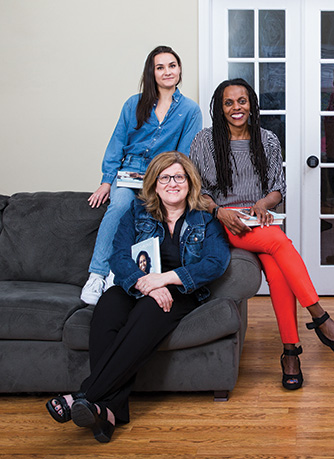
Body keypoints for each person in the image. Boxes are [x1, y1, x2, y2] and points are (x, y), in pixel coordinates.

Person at [45, 151, 230, 442]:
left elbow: (215, 263)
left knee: (148, 312)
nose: (172, 183)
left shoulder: (205, 219)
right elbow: (119, 256)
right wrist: (147, 284)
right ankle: (106, 411)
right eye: (165, 177)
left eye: (179, 177)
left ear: (190, 183)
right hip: (137, 284)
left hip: (180, 290)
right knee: (107, 307)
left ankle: (86, 395)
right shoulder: (136, 211)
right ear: (154, 184)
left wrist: (165, 280)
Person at [190, 78, 334, 391]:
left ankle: (291, 352)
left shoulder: (266, 139)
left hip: (257, 221)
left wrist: (263, 204)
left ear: (251, 103)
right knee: (280, 241)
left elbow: (277, 189)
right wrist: (219, 212)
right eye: (229, 102)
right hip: (221, 222)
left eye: (242, 101)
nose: (236, 108)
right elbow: (194, 191)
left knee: (279, 271)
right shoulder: (204, 141)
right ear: (219, 108)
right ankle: (319, 316)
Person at [80, 45, 203, 305]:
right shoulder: (133, 104)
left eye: (172, 65)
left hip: (162, 173)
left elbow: (182, 156)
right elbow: (117, 142)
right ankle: (97, 274)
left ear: (179, 70)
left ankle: (122, 272)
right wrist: (106, 181)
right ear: (152, 72)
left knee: (152, 211)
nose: (167, 71)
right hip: (129, 171)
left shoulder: (190, 110)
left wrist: (170, 181)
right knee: (121, 205)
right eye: (160, 67)